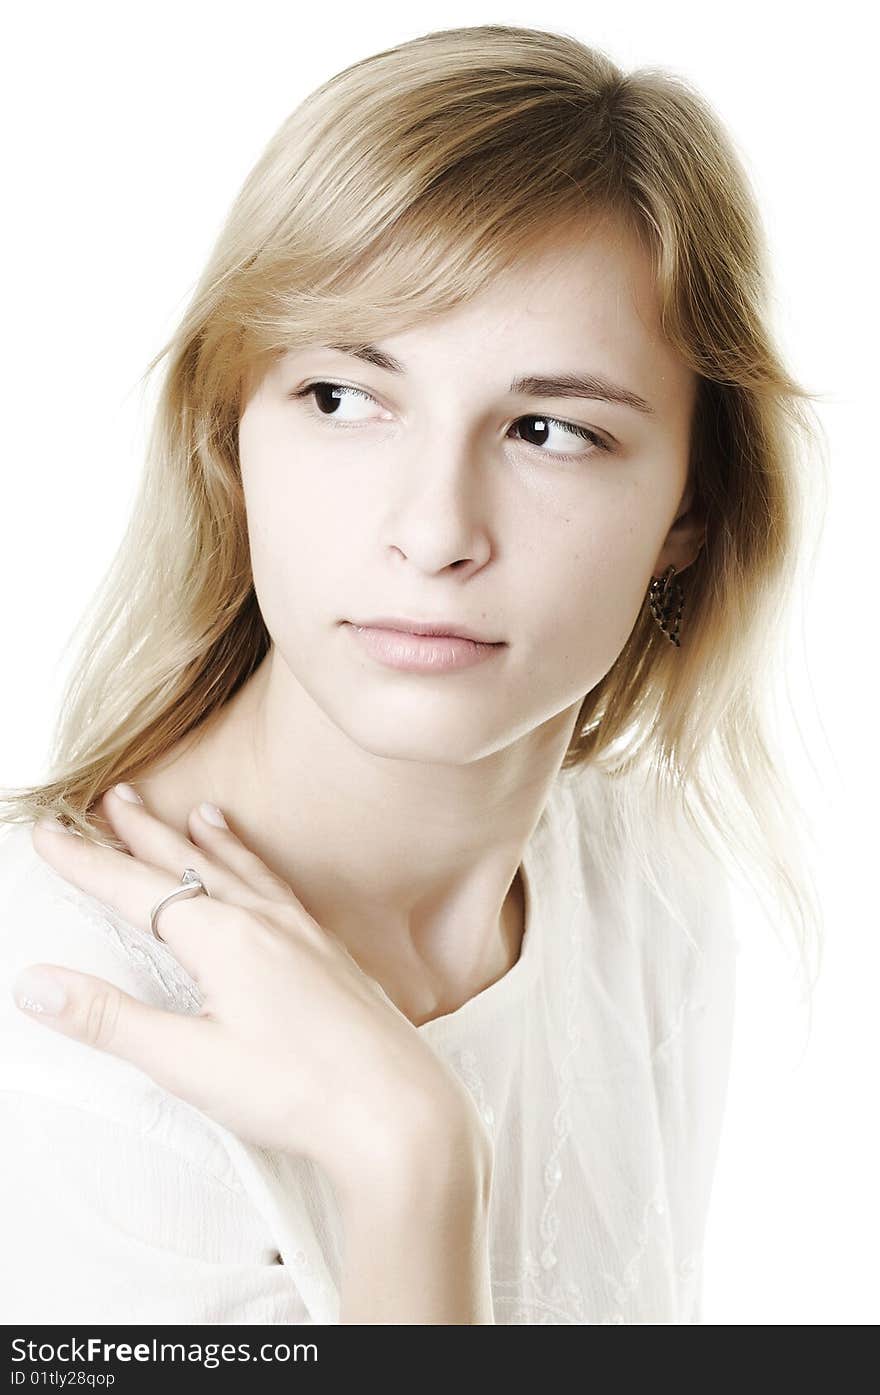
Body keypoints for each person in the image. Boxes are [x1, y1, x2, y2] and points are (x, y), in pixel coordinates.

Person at [0, 23, 825, 1325]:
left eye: (551, 430)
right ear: (231, 440)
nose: (435, 531)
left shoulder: (639, 885)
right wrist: (408, 1167)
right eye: (342, 397)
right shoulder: (57, 1022)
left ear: (693, 509)